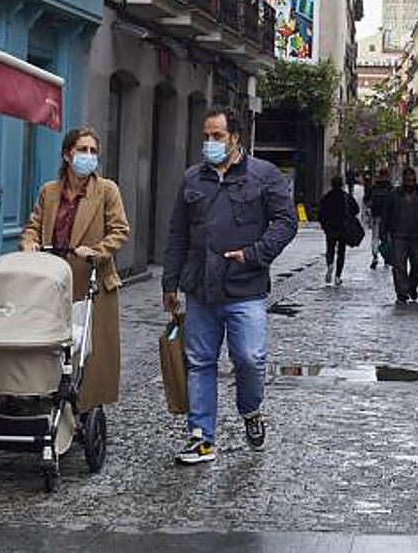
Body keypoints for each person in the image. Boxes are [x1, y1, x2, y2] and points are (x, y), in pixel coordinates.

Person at [162, 107, 298, 464]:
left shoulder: (264, 175)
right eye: (206, 136)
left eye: (217, 136)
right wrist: (170, 283)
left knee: (250, 359)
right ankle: (201, 437)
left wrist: (254, 254)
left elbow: (286, 223)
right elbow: (178, 232)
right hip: (200, 290)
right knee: (200, 362)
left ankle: (251, 411)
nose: (210, 143)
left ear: (235, 138)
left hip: (245, 288)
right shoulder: (193, 179)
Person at [20, 127, 130, 412]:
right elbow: (33, 224)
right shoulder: (50, 191)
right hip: (52, 281)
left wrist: (97, 251)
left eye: (93, 151)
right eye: (82, 150)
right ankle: (48, 400)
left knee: (90, 353)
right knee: (51, 346)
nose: (88, 156)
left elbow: (119, 231)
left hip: (91, 280)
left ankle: (86, 406)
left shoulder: (107, 190)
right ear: (67, 155)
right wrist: (29, 242)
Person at [382, 167, 418, 303]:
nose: (410, 183)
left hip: (417, 236)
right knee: (399, 266)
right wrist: (384, 234)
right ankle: (402, 293)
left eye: (413, 180)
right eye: (408, 180)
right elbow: (387, 214)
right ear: (403, 180)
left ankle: (412, 286)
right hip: (398, 235)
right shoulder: (393, 195)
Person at [318, 176, 358, 285]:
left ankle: (330, 264)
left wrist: (324, 225)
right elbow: (356, 209)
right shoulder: (346, 197)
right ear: (341, 184)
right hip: (343, 228)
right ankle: (337, 276)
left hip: (330, 228)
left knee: (330, 249)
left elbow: (320, 213)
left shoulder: (327, 197)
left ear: (331, 184)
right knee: (341, 252)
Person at [366, 168, 393, 269]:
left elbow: (367, 200)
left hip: (376, 216)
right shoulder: (391, 188)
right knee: (386, 239)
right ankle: (386, 258)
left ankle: (375, 257)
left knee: (375, 238)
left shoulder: (374, 187)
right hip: (387, 218)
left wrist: (369, 210)